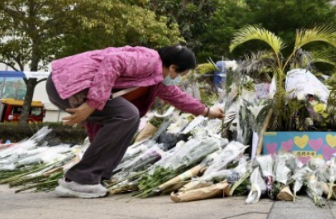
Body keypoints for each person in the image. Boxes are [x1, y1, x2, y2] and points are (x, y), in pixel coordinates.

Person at [46, 44, 224, 199]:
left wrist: (207, 112)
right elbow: (113, 61)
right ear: (172, 67)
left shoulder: (156, 79)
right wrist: (93, 103)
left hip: (68, 85)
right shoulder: (149, 60)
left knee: (127, 117)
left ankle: (90, 177)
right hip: (67, 83)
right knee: (128, 115)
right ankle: (80, 178)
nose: (180, 79)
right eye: (182, 74)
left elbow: (177, 96)